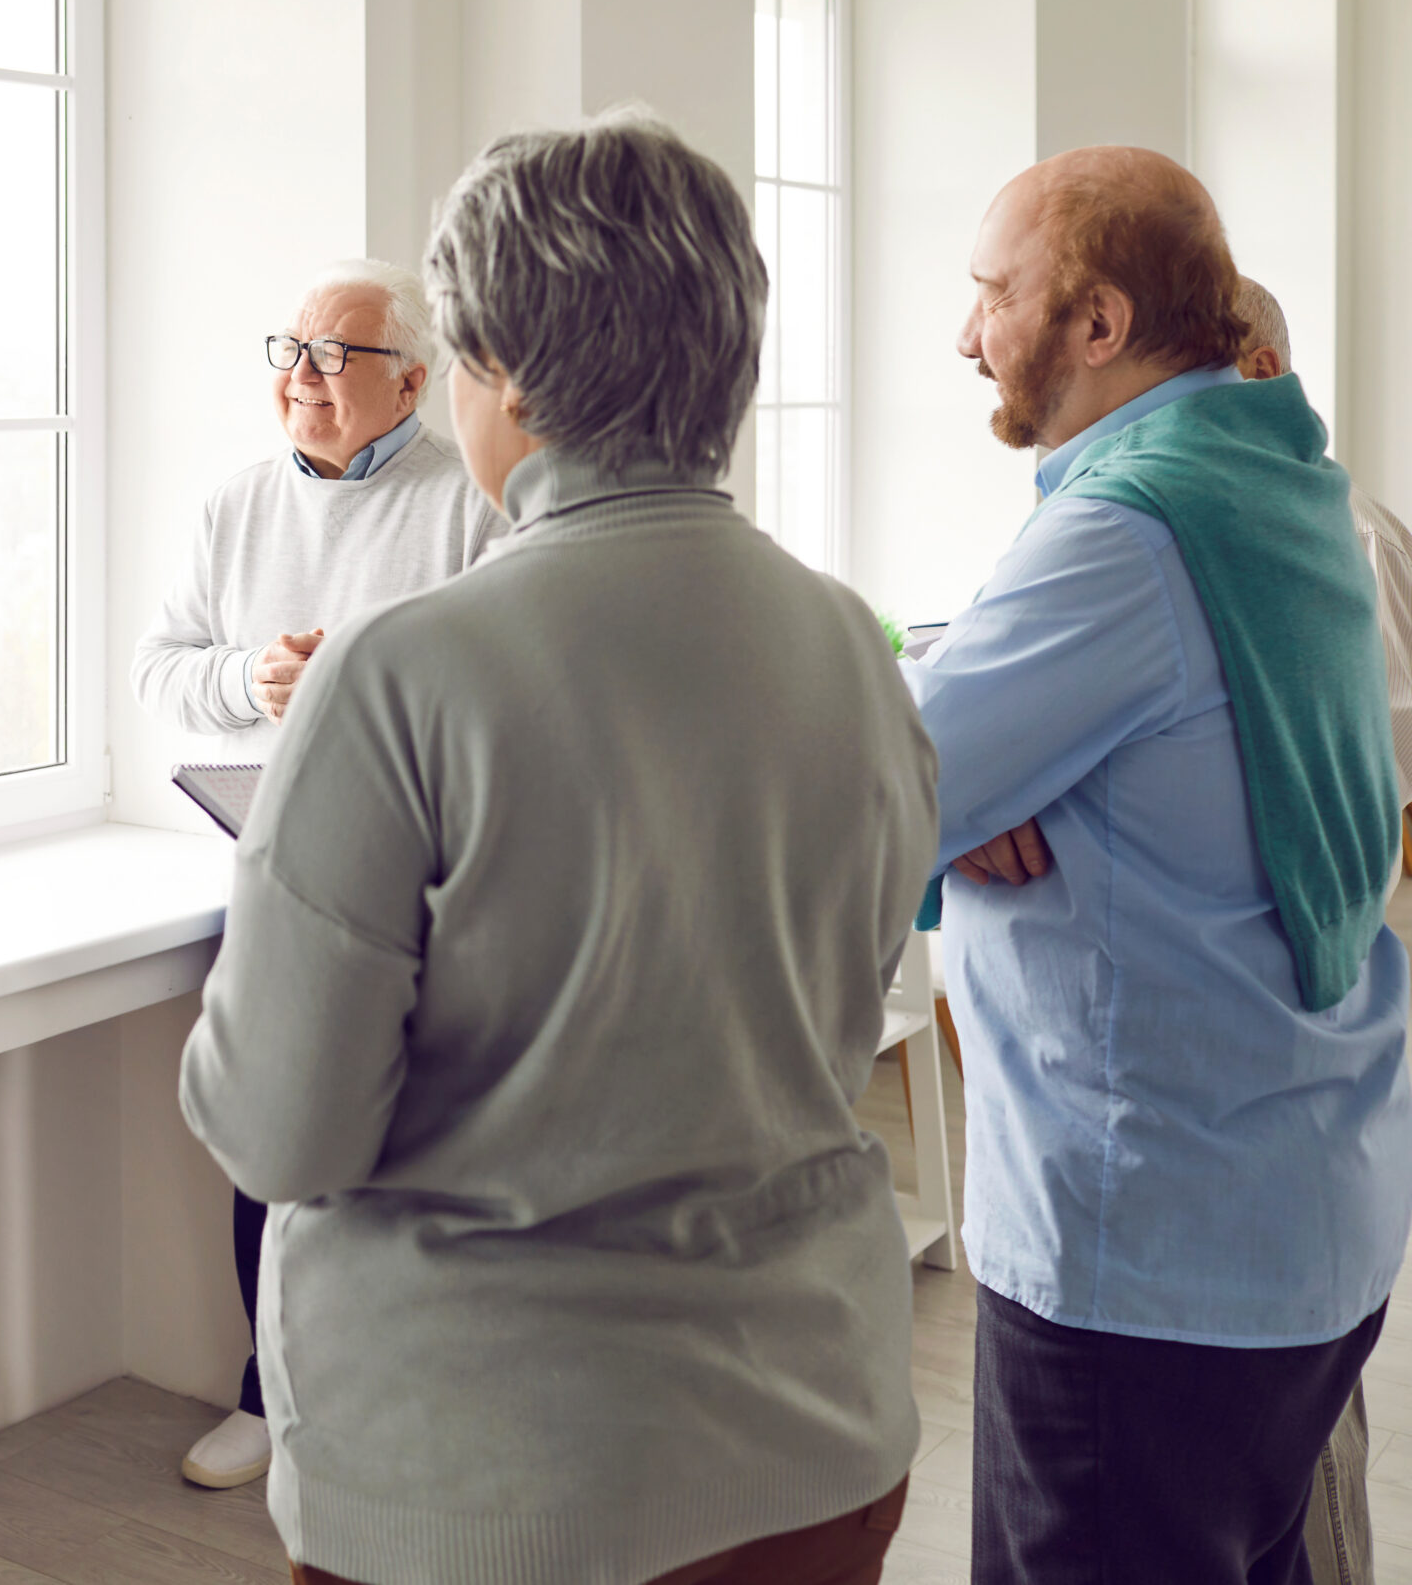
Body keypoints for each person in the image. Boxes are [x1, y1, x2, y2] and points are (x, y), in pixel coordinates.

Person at [180, 113, 934, 1585]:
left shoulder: (403, 673)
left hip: (489, 1479)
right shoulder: (851, 644)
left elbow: (277, 1130)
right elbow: (842, 1016)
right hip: (813, 1447)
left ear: (507, 376)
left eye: (457, 359)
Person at [901, 148, 1410, 1584]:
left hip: (1146, 1247)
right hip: (1295, 1192)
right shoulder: (1273, 470)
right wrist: (975, 751)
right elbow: (949, 754)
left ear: (1101, 323)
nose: (965, 333)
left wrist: (948, 767)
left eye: (993, 294)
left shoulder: (1123, 534)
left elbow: (874, 787)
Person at [130, 258, 504, 1490]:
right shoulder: (235, 505)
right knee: (273, 1143)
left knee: (419, 1152)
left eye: (333, 357)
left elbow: (505, 695)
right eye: (288, 351)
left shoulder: (467, 508)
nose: (302, 378)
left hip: (435, 887)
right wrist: (253, 680)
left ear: (410, 378)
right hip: (277, 873)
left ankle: (417, 1413)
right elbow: (161, 673)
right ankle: (269, 1395)